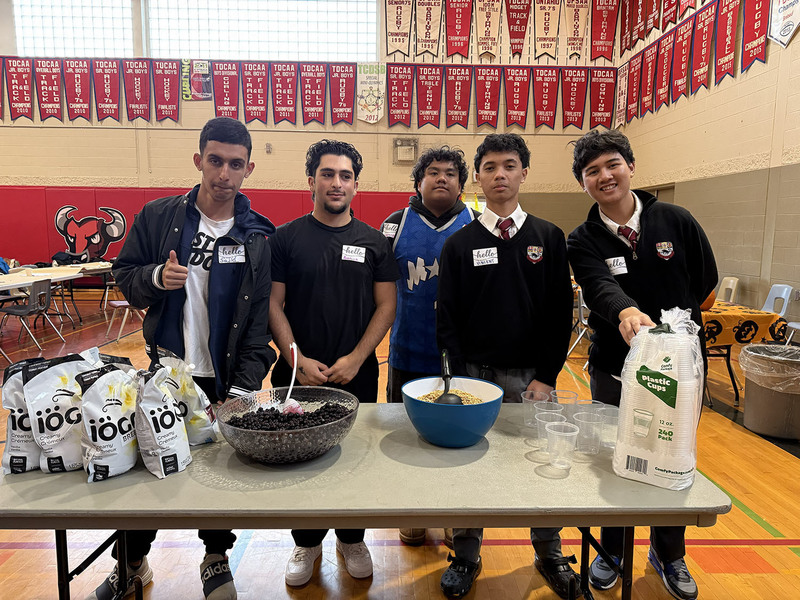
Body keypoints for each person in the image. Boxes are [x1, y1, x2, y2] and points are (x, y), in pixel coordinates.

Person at [89, 117, 277, 600]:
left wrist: (243, 389)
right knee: (147, 469)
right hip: (166, 374)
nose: (224, 174)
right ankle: (132, 564)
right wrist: (156, 278)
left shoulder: (258, 237)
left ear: (249, 169)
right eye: (215, 161)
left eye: (235, 164)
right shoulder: (158, 216)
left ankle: (216, 557)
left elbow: (259, 326)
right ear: (198, 160)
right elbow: (125, 275)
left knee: (222, 473)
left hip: (225, 379)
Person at [566, 129, 717, 600]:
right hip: (615, 369)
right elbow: (599, 287)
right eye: (592, 171)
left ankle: (669, 553)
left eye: (613, 164)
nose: (605, 176)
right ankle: (611, 552)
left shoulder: (676, 219)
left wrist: (675, 339)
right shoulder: (582, 238)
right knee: (618, 459)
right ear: (583, 183)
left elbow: (706, 281)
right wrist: (627, 312)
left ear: (630, 166)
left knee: (673, 457)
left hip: (681, 374)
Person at [436, 133, 575, 599]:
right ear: (477, 177)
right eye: (490, 167)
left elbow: (560, 314)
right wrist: (456, 379)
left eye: (509, 165)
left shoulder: (548, 237)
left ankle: (550, 553)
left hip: (531, 378)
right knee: (468, 465)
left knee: (540, 463)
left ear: (524, 173)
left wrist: (547, 376)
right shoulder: (459, 244)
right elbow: (447, 318)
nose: (500, 175)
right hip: (473, 376)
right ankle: (465, 554)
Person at [268, 139, 399, 587]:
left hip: (355, 376)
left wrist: (358, 358)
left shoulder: (374, 242)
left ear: (356, 185)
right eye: (328, 174)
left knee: (354, 460)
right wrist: (297, 359)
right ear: (311, 181)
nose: (337, 183)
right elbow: (273, 304)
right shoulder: (285, 238)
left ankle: (351, 538)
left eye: (345, 176)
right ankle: (306, 542)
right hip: (297, 377)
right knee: (299, 461)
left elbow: (386, 306)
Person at [381, 146, 476, 548]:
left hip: (461, 357)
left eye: (450, 173)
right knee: (406, 439)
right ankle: (413, 512)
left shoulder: (477, 224)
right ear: (418, 181)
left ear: (461, 183)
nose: (441, 178)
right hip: (406, 351)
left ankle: (453, 515)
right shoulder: (394, 224)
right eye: (433, 172)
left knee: (457, 442)